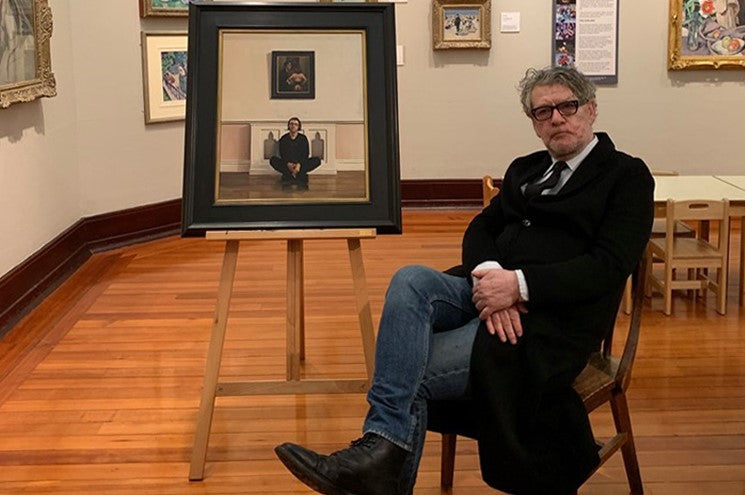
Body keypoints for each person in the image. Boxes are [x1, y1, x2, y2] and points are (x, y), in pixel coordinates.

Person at [274, 67, 654, 494]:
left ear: (591, 109)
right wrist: (493, 277)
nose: (557, 118)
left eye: (567, 106)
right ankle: (379, 460)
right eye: (542, 111)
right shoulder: (526, 169)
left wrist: (519, 287)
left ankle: (379, 464)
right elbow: (480, 228)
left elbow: (607, 264)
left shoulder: (626, 176)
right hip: (488, 293)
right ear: (533, 121)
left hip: (548, 320)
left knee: (407, 373)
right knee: (411, 279)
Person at [269, 117, 321, 190]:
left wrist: (299, 165)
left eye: (296, 124)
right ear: (289, 126)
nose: (293, 126)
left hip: (300, 164)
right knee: (273, 160)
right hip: (287, 164)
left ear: (298, 127)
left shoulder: (303, 138)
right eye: (291, 124)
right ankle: (298, 175)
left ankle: (291, 175)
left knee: (317, 160)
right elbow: (282, 154)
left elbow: (306, 154)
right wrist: (288, 164)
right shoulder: (284, 138)